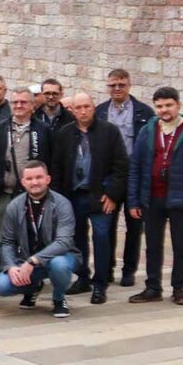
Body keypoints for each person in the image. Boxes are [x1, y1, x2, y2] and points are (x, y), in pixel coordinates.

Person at [128, 87, 183, 306]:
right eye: (159, 106)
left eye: (168, 105)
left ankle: (179, 289)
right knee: (153, 245)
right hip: (152, 199)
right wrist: (134, 200)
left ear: (178, 105)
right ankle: (153, 287)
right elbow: (136, 167)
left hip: (181, 201)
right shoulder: (148, 132)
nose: (164, 110)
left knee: (180, 246)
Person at [52, 92, 126, 304]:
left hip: (100, 196)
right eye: (78, 108)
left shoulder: (109, 131)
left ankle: (100, 284)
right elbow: (56, 167)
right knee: (77, 240)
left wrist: (112, 194)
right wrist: (58, 199)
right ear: (72, 110)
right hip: (72, 196)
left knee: (102, 238)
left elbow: (121, 166)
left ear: (94, 107)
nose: (83, 111)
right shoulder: (65, 134)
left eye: (87, 106)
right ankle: (83, 276)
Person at [0, 160, 80, 318]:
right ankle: (32, 287)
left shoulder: (62, 204)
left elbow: (64, 241)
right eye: (30, 179)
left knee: (59, 265)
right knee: (2, 286)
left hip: (58, 257)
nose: (35, 182)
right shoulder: (14, 206)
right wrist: (11, 267)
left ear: (48, 179)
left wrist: (34, 260)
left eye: (39, 177)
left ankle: (59, 298)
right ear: (23, 182)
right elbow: (7, 242)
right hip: (25, 260)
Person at [97, 68, 154, 287]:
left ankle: (129, 270)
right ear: (108, 87)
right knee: (107, 223)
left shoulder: (144, 113)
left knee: (134, 225)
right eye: (113, 85)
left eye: (121, 84)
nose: (117, 89)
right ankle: (107, 267)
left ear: (129, 85)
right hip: (110, 177)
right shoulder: (100, 112)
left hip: (134, 178)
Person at [0, 89, 52, 227]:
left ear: (32, 105)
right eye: (15, 102)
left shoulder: (43, 130)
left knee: (30, 230)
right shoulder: (0, 128)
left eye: (23, 102)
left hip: (33, 193)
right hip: (4, 192)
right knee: (3, 233)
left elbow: (51, 161)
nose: (19, 105)